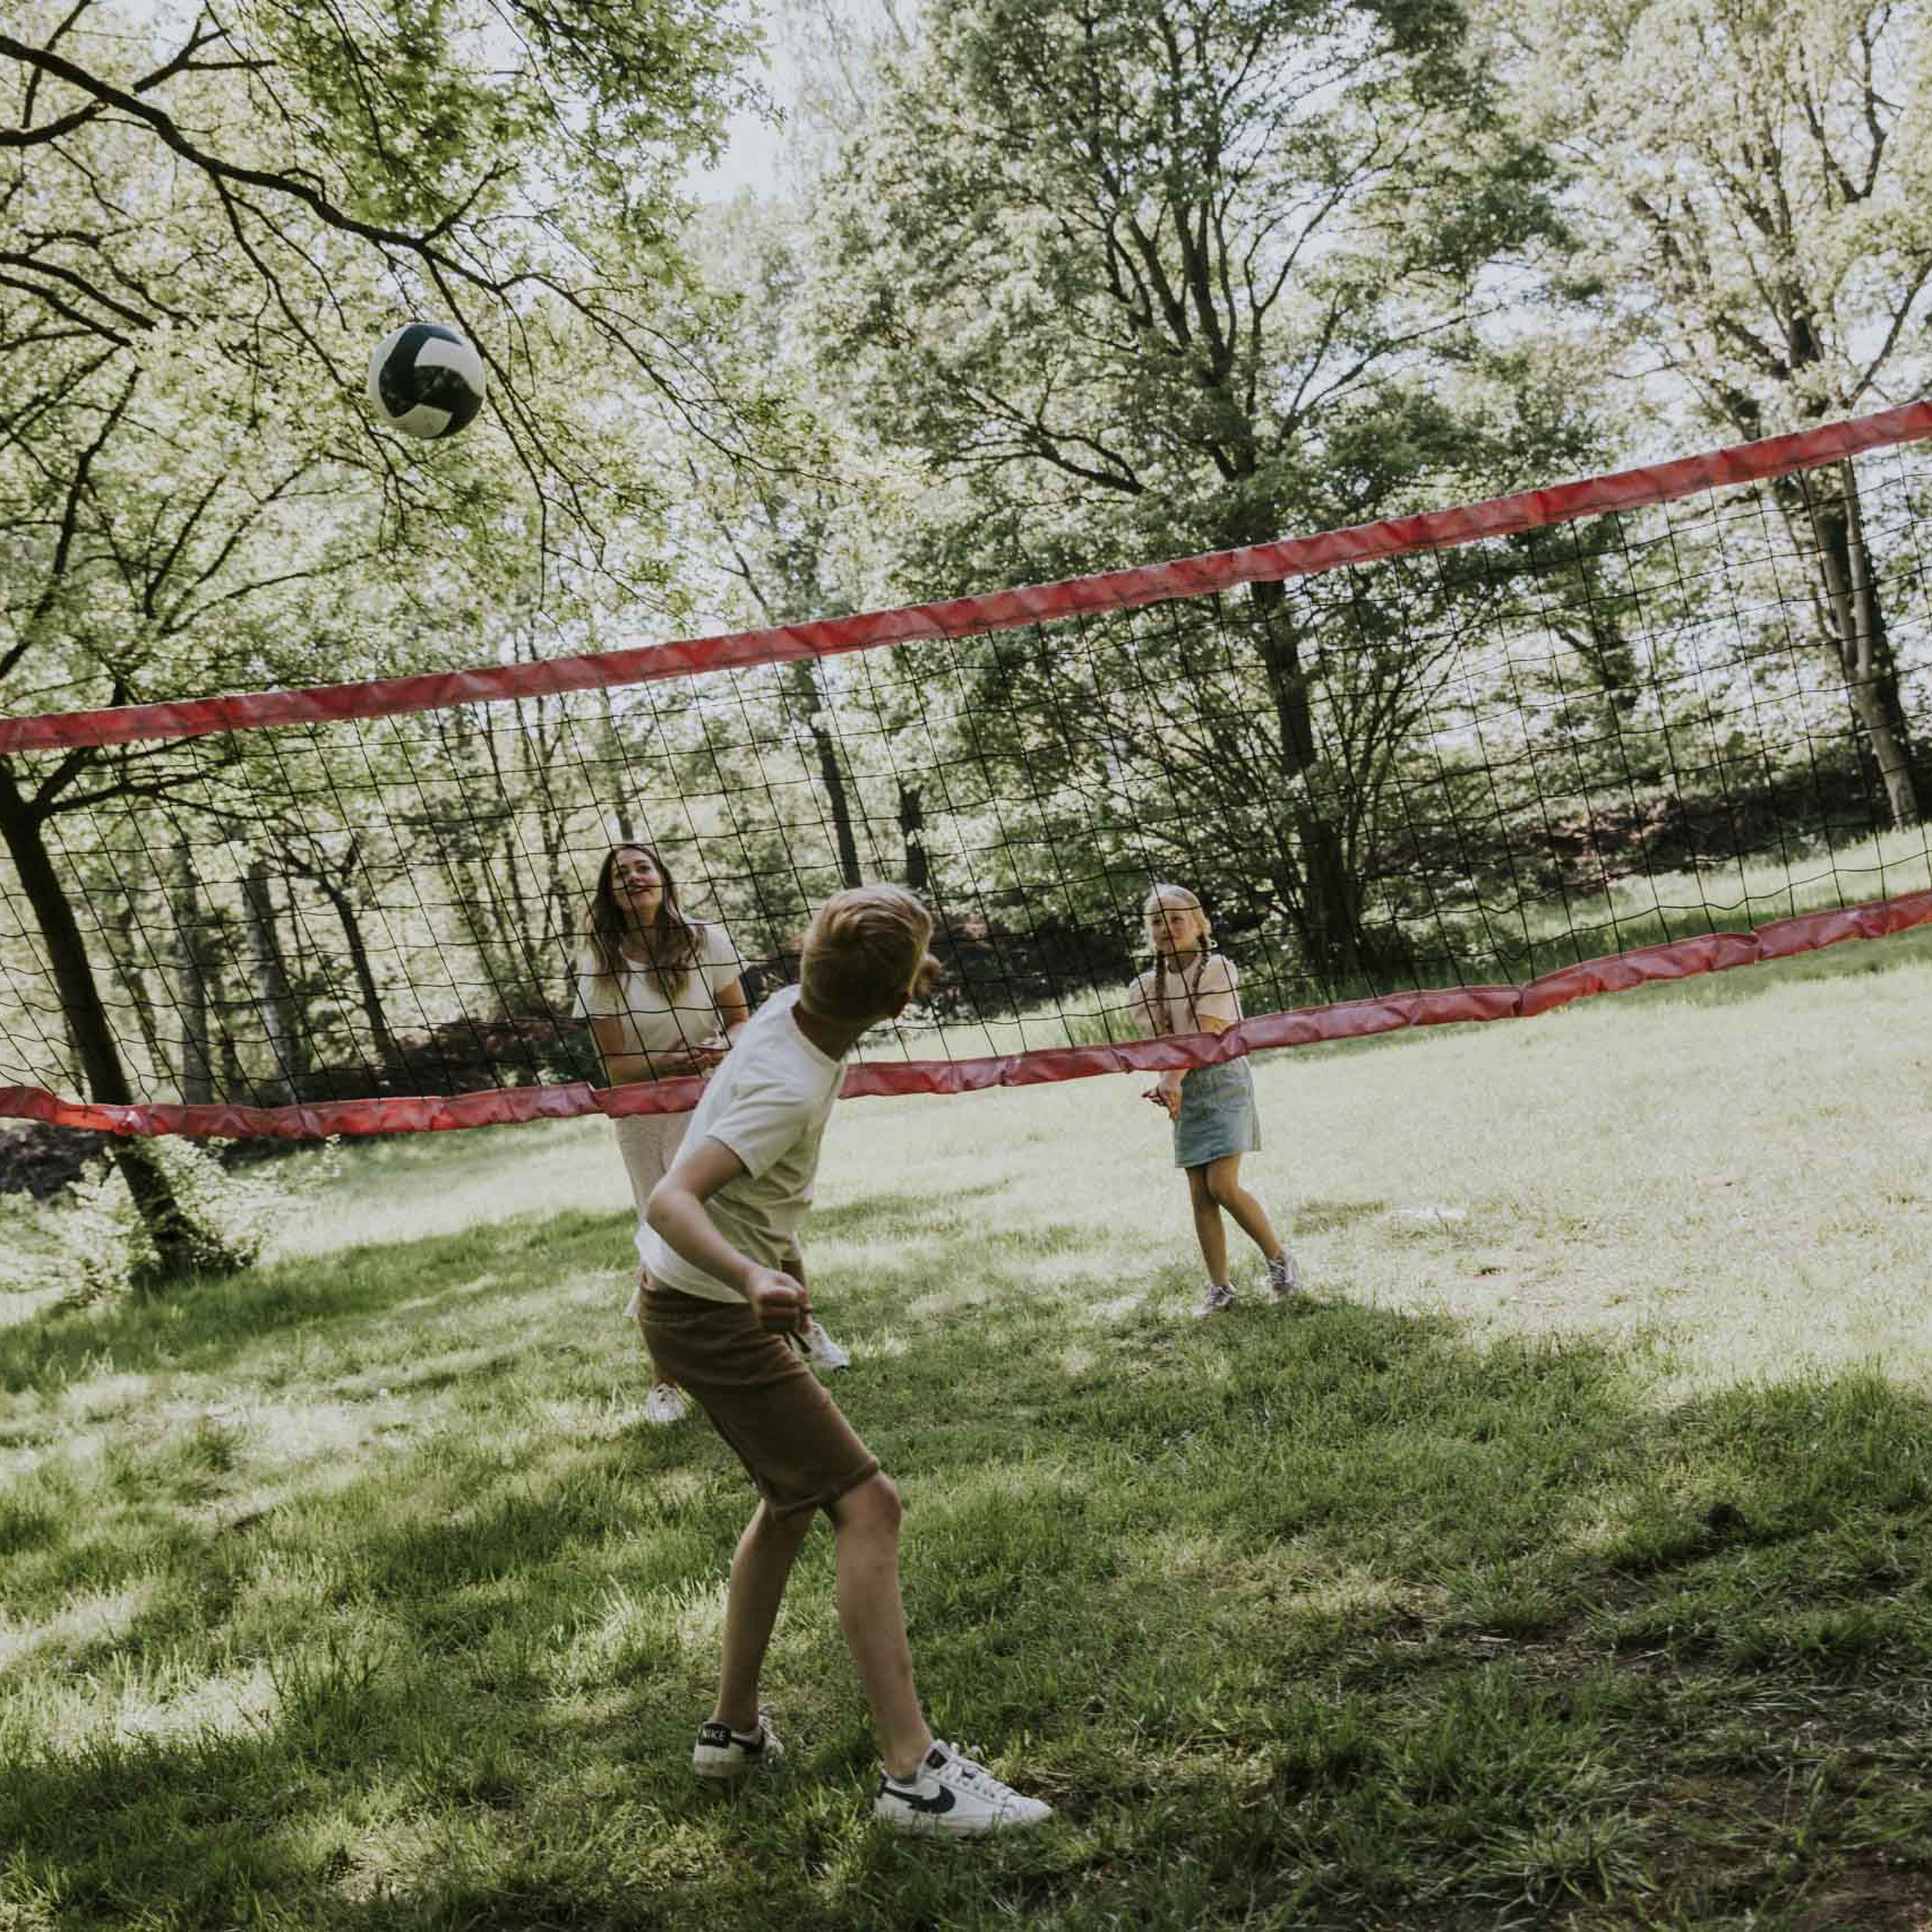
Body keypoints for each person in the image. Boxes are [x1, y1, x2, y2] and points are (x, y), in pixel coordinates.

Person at [641, 884, 1053, 1834]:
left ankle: (733, 1731)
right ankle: (913, 1776)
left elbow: (855, 955)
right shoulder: (788, 1082)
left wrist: (772, 1258)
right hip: (708, 1308)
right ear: (904, 1001)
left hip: (685, 1299)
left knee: (791, 1500)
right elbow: (671, 1198)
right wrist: (754, 1275)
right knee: (869, 1505)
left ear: (803, 961)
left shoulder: (793, 1008)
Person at [577, 842, 848, 1425]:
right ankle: (664, 1384)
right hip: (646, 1116)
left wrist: (720, 1048)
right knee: (659, 1235)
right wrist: (669, 1065)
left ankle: (804, 1329)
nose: (634, 877)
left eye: (643, 867)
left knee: (764, 1221)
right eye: (620, 873)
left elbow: (741, 1023)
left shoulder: (705, 940)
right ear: (610, 893)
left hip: (716, 1100)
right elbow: (615, 1068)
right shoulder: (600, 963)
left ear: (662, 878)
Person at [1129, 881, 1300, 1317]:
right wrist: (1167, 1082)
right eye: (1156, 922)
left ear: (1200, 925)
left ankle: (1280, 1260)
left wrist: (1172, 1078)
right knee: (1200, 1194)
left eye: (1176, 919)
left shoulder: (1219, 968)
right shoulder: (1144, 986)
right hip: (1183, 1086)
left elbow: (1206, 1033)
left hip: (1224, 1081)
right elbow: (1162, 1045)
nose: (1166, 927)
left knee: (1222, 1185)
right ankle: (1220, 1288)